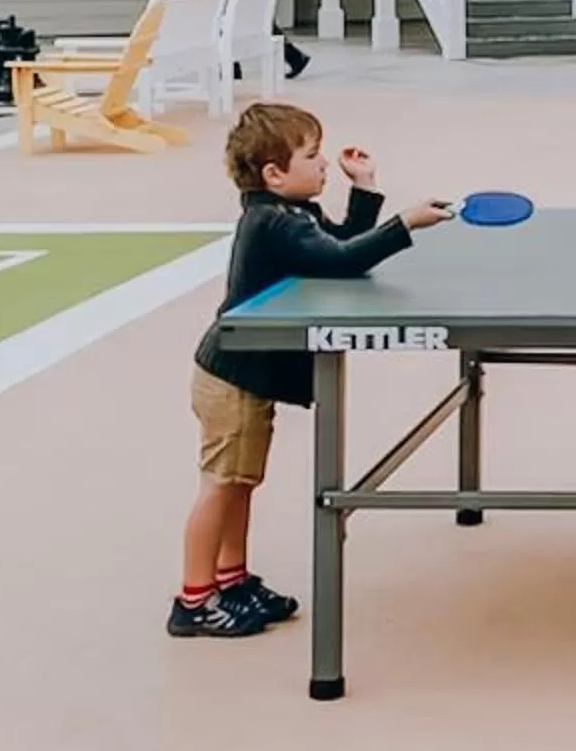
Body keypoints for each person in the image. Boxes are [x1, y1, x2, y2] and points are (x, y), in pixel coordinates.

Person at [173, 102, 450, 638]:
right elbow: (343, 261)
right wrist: (404, 223)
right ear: (274, 174)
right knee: (222, 486)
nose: (323, 163)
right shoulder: (272, 222)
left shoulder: (293, 213)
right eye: (312, 155)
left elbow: (339, 249)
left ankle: (232, 580)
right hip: (232, 378)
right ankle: (195, 600)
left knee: (240, 484)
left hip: (246, 377)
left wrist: (364, 188)